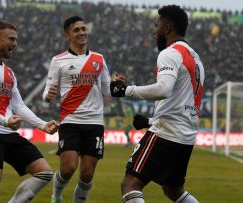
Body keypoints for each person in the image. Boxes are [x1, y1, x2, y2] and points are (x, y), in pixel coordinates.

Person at [110, 5, 204, 203]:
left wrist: (124, 90)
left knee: (130, 184)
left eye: (157, 25)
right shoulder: (195, 58)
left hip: (166, 133)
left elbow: (163, 89)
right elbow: (181, 102)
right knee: (173, 190)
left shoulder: (170, 53)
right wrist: (150, 120)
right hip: (185, 136)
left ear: (168, 28)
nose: (154, 31)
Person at [0, 20, 59, 203]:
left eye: (16, 40)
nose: (15, 44)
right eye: (11, 39)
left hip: (9, 133)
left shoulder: (9, 72)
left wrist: (42, 125)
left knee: (44, 173)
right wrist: (4, 121)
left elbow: (18, 105)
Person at [42, 16, 111, 203]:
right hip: (70, 120)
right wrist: (48, 96)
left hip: (95, 122)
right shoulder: (58, 60)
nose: (82, 32)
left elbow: (107, 89)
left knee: (87, 174)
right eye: (76, 30)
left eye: (83, 28)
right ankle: (56, 195)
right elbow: (47, 92)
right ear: (67, 35)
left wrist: (117, 85)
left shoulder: (99, 59)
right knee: (68, 168)